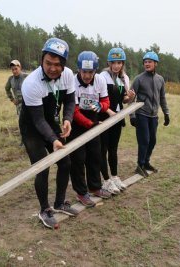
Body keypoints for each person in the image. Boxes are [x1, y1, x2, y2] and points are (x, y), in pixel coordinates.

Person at [19, 37, 78, 229]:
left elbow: (70, 101)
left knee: (65, 162)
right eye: (48, 63)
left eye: (57, 64)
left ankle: (60, 203)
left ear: (64, 64)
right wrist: (53, 139)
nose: (52, 68)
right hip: (32, 128)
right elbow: (37, 120)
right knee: (42, 166)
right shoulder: (31, 83)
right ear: (42, 60)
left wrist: (68, 118)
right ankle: (44, 209)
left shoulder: (68, 75)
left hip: (50, 122)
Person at [68, 51, 112, 208]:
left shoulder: (100, 80)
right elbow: (74, 110)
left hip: (93, 120)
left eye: (91, 72)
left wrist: (102, 106)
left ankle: (95, 187)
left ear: (95, 71)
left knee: (95, 156)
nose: (87, 76)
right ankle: (81, 192)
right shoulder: (72, 82)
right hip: (77, 123)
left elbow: (106, 101)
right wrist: (90, 125)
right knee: (78, 159)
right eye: (84, 72)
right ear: (79, 69)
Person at [99, 48, 135, 194]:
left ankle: (114, 177)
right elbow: (97, 99)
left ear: (123, 63)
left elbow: (124, 100)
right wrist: (108, 112)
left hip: (118, 117)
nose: (116, 66)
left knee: (113, 149)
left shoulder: (124, 78)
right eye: (113, 63)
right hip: (103, 117)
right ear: (109, 62)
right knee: (103, 149)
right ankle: (106, 180)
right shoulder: (102, 76)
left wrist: (130, 97)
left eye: (119, 62)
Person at [129, 51, 170, 177]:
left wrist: (166, 113)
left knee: (152, 141)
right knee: (144, 141)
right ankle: (140, 165)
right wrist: (132, 115)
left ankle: (146, 162)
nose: (147, 64)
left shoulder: (160, 79)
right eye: (145, 62)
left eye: (150, 62)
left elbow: (162, 97)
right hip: (142, 114)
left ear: (155, 63)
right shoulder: (139, 79)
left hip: (154, 116)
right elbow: (131, 98)